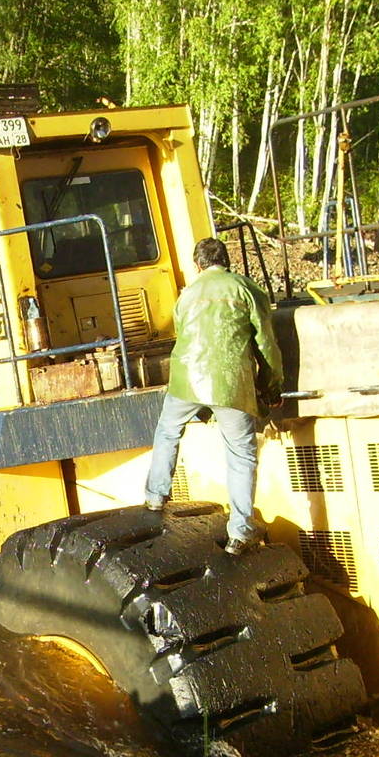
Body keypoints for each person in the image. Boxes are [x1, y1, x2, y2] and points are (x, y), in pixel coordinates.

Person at [143, 236, 282, 554]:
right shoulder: (245, 289)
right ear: (227, 261)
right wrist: (272, 387)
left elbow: (186, 335)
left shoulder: (186, 295)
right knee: (241, 454)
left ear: (198, 265)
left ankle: (155, 496)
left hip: (186, 380)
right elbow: (266, 344)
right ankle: (240, 533)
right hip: (230, 382)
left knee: (167, 431)